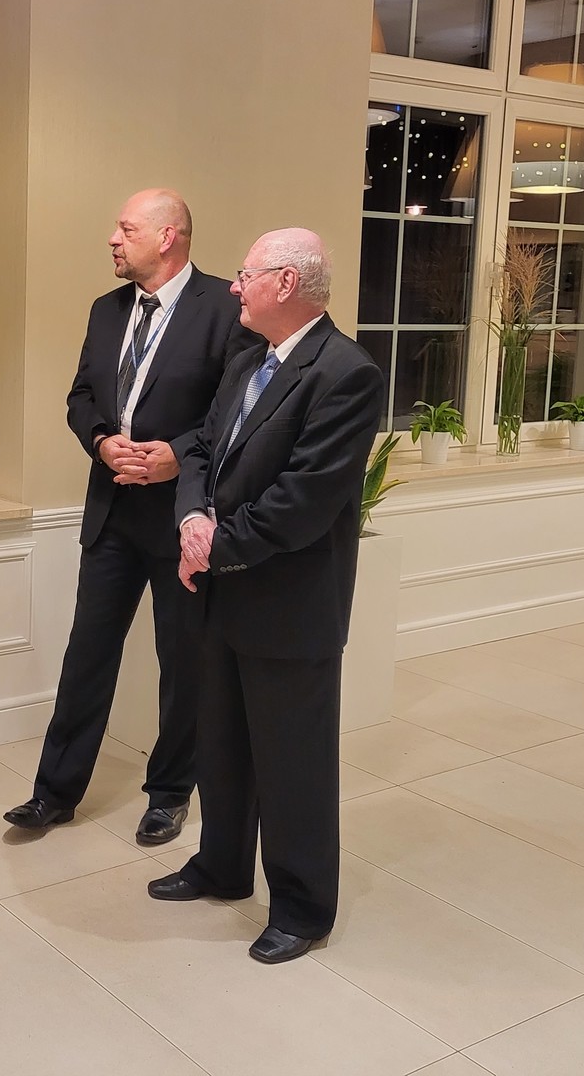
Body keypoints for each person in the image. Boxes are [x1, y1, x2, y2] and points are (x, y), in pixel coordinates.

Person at [147, 227, 383, 965]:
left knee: (293, 765)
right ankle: (221, 867)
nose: (233, 286)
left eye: (246, 274)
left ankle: (303, 908)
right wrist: (192, 516)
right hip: (220, 594)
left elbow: (303, 501)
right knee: (221, 746)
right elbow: (199, 448)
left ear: (285, 282)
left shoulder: (345, 373)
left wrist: (213, 545)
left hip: (289, 605)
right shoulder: (250, 356)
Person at [4, 189, 246, 843]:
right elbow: (82, 395)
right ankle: (53, 793)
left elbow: (233, 412)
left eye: (126, 228)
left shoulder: (224, 308)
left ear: (168, 237)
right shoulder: (106, 310)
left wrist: (177, 455)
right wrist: (101, 440)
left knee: (183, 662)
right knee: (87, 653)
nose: (113, 239)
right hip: (111, 509)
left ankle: (170, 793)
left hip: (181, 516)